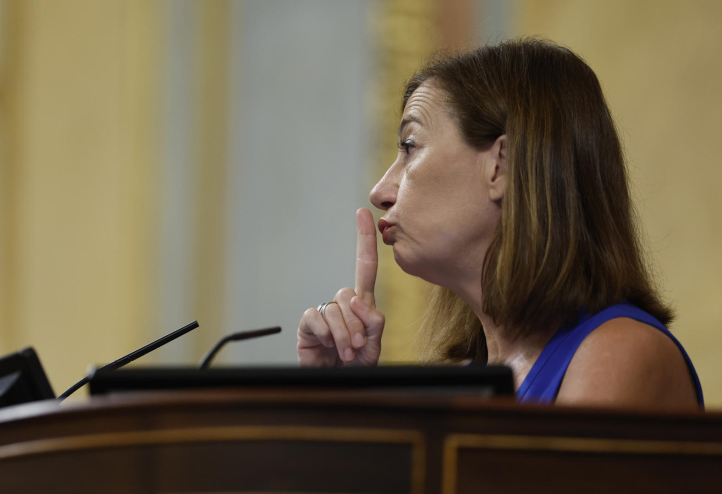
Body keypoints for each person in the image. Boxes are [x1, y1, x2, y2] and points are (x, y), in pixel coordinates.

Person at [296, 39, 703, 410]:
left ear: (502, 166)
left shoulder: (620, 353)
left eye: (410, 147)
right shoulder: (469, 387)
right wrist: (336, 399)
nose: (380, 190)